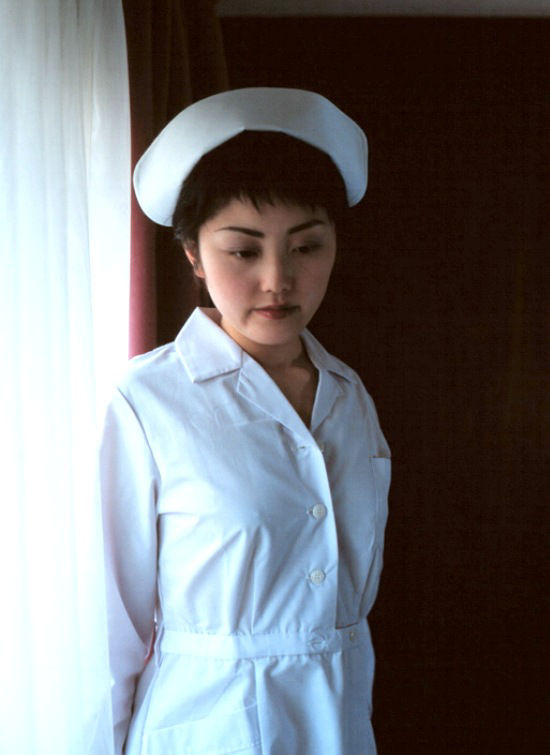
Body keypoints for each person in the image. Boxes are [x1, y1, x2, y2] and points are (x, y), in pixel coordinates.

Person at [101, 87, 391, 755]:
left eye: (307, 246)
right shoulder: (147, 401)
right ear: (193, 255)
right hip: (213, 726)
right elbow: (108, 633)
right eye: (243, 251)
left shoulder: (351, 397)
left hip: (343, 721)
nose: (277, 280)